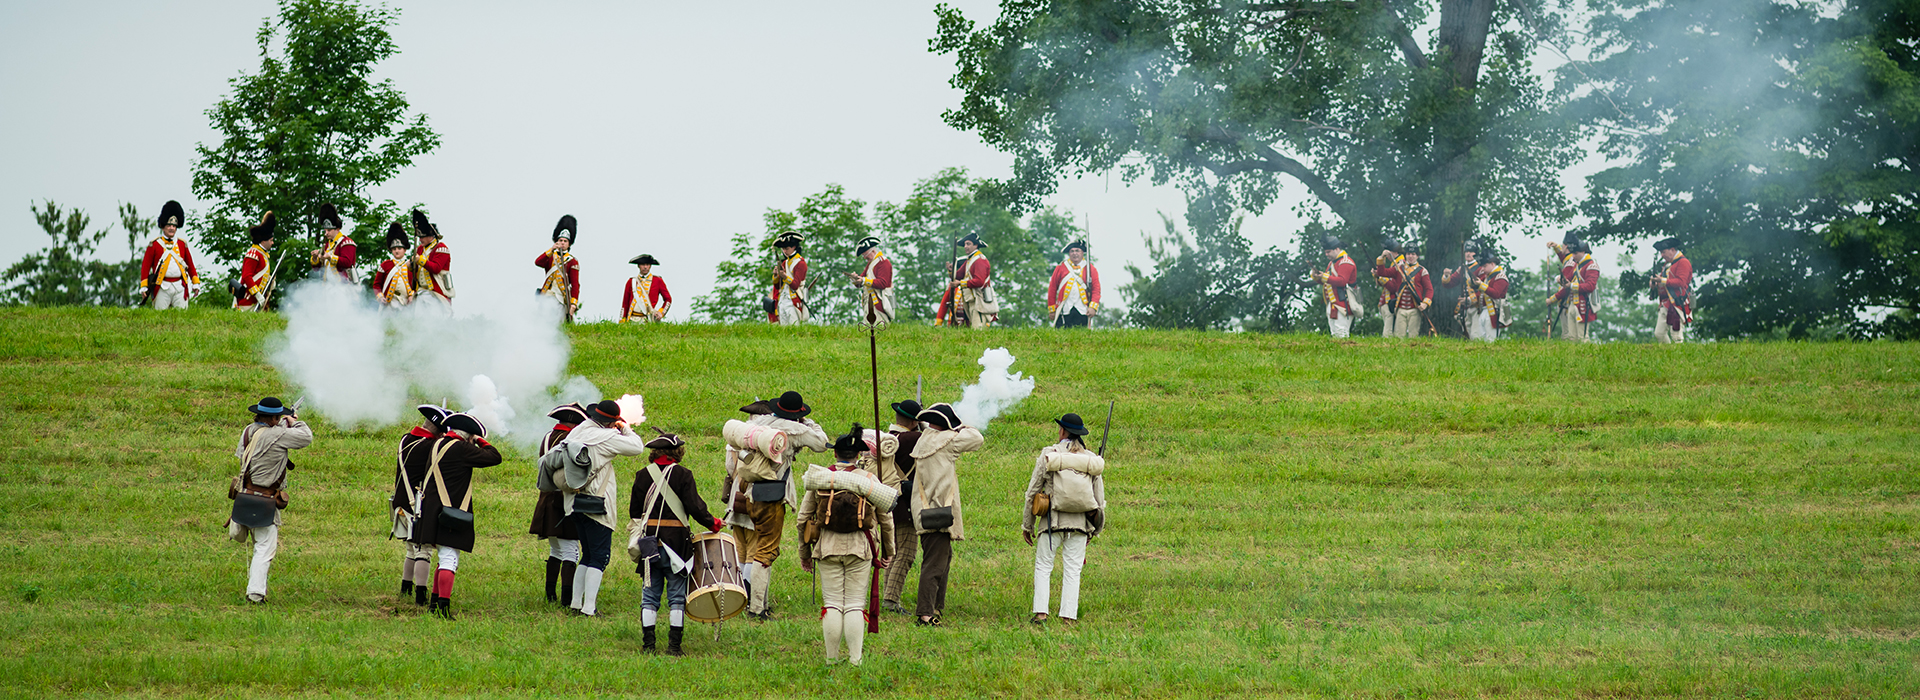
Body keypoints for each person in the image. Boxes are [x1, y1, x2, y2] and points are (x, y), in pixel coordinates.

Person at [720, 391, 828, 620]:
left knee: (754, 549)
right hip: (770, 497)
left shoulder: (760, 423)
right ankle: (756, 608)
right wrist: (809, 423)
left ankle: (755, 602)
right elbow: (821, 443)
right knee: (765, 551)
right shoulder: (796, 430)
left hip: (746, 493)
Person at [798, 425, 895, 666]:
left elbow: (803, 519)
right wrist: (888, 551)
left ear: (835, 454)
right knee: (853, 604)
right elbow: (886, 520)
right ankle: (855, 660)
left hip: (827, 547)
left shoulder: (821, 478)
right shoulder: (869, 480)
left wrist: (805, 553)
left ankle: (831, 660)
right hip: (860, 548)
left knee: (831, 603)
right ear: (859, 456)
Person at [628, 429, 725, 655]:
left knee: (650, 596)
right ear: (676, 452)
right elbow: (695, 507)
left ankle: (648, 645)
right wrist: (714, 524)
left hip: (649, 543)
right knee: (677, 597)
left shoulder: (642, 475)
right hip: (677, 545)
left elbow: (634, 511)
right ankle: (674, 647)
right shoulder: (683, 475)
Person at [403, 412, 502, 619]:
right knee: (449, 559)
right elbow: (495, 457)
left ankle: (434, 604)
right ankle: (443, 608)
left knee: (444, 558)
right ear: (468, 436)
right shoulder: (462, 449)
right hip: (449, 512)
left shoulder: (436, 444)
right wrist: (479, 440)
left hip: (431, 511)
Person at [561, 400, 648, 617]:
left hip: (573, 502)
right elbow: (637, 447)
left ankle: (575, 604)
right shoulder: (607, 437)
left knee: (587, 555)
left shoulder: (577, 431)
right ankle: (589, 608)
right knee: (600, 557)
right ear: (610, 422)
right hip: (597, 503)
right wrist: (624, 427)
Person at [1023, 413, 1107, 625]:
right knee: (1073, 570)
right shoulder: (1091, 459)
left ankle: (1041, 614)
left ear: (1062, 431)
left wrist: (1027, 525)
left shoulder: (1049, 454)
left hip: (1052, 522)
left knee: (1043, 566)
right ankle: (1068, 616)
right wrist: (1095, 530)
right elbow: (1099, 499)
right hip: (1080, 525)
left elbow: (1032, 492)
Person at [228, 396, 312, 603]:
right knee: (264, 549)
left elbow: (243, 453)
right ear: (274, 418)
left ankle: (255, 591)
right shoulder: (279, 433)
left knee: (260, 546)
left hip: (245, 495)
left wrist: (282, 424)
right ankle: (255, 594)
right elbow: (306, 437)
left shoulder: (248, 431)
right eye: (278, 417)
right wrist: (294, 422)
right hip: (265, 501)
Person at [907, 403, 983, 626]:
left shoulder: (926, 438)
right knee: (934, 564)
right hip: (939, 510)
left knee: (943, 558)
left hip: (924, 509)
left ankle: (936, 607)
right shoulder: (947, 441)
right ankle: (925, 613)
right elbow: (977, 438)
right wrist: (960, 425)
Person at [391, 404, 450, 607]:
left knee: (410, 549)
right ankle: (420, 595)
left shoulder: (405, 439)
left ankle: (406, 587)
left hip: (400, 501)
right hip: (417, 504)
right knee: (422, 550)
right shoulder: (429, 447)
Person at [529, 403, 588, 606]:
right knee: (571, 551)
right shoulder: (570, 440)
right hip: (562, 500)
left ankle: (550, 595)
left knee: (556, 550)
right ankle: (566, 599)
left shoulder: (547, 437)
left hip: (546, 498)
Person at [878, 400, 923, 613]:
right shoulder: (914, 438)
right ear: (914, 422)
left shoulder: (888, 437)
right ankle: (891, 601)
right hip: (904, 504)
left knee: (894, 552)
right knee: (906, 554)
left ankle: (889, 597)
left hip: (886, 501)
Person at [139, 200, 201, 309]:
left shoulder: (182, 244)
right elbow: (145, 267)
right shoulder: (154, 245)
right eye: (169, 225)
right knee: (160, 317)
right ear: (163, 226)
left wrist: (195, 282)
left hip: (180, 286)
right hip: (161, 286)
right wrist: (144, 286)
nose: (172, 228)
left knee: (182, 317)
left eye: (174, 225)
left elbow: (190, 265)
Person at [1444, 244, 1511, 342]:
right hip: (1483, 311)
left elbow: (1496, 294)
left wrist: (1480, 285)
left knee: (1490, 341)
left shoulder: (1500, 277)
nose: (1482, 269)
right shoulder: (1489, 277)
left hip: (1494, 312)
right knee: (1480, 340)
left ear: (1492, 264)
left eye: (1485, 266)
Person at [1547, 237, 1599, 342]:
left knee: (1582, 338)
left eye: (1575, 253)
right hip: (1572, 304)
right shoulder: (1577, 265)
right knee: (1571, 339)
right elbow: (1566, 283)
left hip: (1583, 305)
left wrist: (1571, 285)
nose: (1573, 256)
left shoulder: (1591, 266)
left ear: (1583, 252)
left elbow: (1590, 286)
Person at [938, 233, 995, 328]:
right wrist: (951, 270)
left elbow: (979, 281)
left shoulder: (979, 260)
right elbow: (958, 275)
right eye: (965, 244)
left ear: (975, 245)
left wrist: (960, 283)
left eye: (968, 244)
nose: (965, 247)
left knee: (978, 329)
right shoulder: (970, 260)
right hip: (972, 299)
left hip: (979, 299)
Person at [1309, 235, 1360, 338]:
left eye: (1328, 252)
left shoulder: (1346, 262)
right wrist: (1317, 277)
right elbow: (1328, 281)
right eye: (1326, 252)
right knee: (1335, 333)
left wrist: (1324, 276)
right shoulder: (1333, 263)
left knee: (1341, 333)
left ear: (1336, 249)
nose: (1327, 254)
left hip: (1343, 303)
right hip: (1334, 303)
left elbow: (1342, 281)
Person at [1047, 239, 1101, 329]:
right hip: (1064, 309)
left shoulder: (1090, 268)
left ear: (1082, 252)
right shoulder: (1060, 268)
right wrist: (1052, 309)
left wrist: (1093, 307)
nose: (1074, 253)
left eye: (1077, 251)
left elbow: (1096, 289)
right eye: (1072, 251)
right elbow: (1052, 288)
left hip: (1083, 309)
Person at [536, 215, 580, 322]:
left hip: (560, 296)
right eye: (560, 240)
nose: (562, 243)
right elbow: (538, 262)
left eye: (565, 241)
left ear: (569, 244)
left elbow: (575, 284)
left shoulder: (572, 261)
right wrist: (551, 250)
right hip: (547, 293)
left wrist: (573, 303)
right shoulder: (550, 256)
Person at [1650, 237, 1692, 343]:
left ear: (1672, 250)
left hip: (1677, 302)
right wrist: (1654, 283)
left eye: (1663, 252)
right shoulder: (1668, 264)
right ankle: (1669, 355)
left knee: (1676, 335)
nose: (1662, 255)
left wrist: (1662, 280)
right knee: (1659, 334)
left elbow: (1681, 282)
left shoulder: (1683, 262)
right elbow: (1662, 280)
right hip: (1665, 303)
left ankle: (1679, 358)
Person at [411, 209, 454, 311]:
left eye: (423, 237)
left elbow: (436, 268)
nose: (421, 239)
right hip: (421, 291)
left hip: (436, 292)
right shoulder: (420, 249)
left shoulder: (441, 248)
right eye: (420, 237)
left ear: (431, 236)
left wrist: (420, 259)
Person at [1386, 246, 1433, 338]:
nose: (1410, 256)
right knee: (1399, 337)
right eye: (1408, 254)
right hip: (1400, 308)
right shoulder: (1399, 268)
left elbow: (1429, 289)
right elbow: (1383, 272)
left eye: (1413, 254)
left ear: (1417, 256)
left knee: (1413, 337)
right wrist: (1381, 258)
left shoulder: (1422, 271)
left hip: (1415, 308)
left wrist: (1425, 303)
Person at [233, 212, 276, 311]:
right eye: (271, 240)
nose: (272, 243)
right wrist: (257, 294)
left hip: (257, 301)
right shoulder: (254, 254)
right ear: (264, 241)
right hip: (248, 300)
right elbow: (247, 276)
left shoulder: (262, 254)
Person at [848, 236, 895, 325]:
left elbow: (883, 283)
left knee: (879, 329)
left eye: (865, 255)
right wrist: (855, 279)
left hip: (880, 303)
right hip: (870, 303)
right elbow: (861, 280)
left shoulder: (883, 262)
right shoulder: (871, 264)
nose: (865, 258)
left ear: (873, 251)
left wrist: (863, 280)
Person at [308, 203, 355, 282]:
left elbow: (347, 263)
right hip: (327, 287)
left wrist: (330, 257)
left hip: (344, 287)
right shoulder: (327, 245)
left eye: (329, 230)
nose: (326, 233)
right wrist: (316, 258)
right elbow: (317, 269)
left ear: (337, 229)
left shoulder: (347, 242)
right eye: (325, 230)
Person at [769, 231, 809, 325]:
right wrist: (776, 275)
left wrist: (784, 276)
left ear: (794, 247)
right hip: (783, 300)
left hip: (794, 300)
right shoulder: (785, 262)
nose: (784, 251)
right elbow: (778, 286)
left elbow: (795, 285)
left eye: (787, 248)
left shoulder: (800, 263)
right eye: (783, 249)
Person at [620, 254, 671, 323]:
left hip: (648, 320)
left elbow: (668, 299)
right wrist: (622, 319)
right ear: (638, 266)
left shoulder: (658, 280)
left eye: (647, 264)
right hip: (632, 319)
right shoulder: (631, 281)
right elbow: (625, 304)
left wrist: (661, 312)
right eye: (643, 264)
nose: (645, 267)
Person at [372, 223, 413, 308]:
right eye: (394, 249)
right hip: (390, 302)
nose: (396, 251)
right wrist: (380, 297)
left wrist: (412, 295)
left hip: (406, 303)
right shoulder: (385, 265)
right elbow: (377, 284)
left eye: (399, 248)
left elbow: (416, 285)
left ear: (405, 250)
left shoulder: (411, 265)